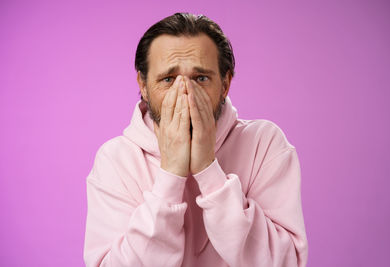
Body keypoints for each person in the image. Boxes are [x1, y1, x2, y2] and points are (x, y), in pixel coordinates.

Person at [83, 12, 308, 267]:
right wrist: (171, 174)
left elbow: (285, 263)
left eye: (201, 78)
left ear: (225, 84)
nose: (185, 93)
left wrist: (208, 169)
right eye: (168, 79)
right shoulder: (115, 160)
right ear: (143, 85)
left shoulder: (264, 144)